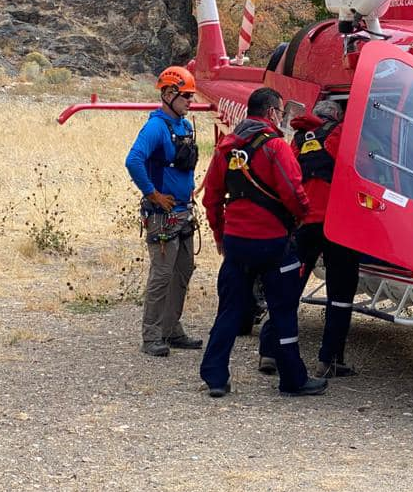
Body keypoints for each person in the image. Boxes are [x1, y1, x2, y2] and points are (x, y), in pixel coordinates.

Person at [200, 87, 328, 398]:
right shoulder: (276, 147)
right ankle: (292, 379)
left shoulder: (225, 148)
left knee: (229, 311)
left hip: (236, 244)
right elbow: (294, 192)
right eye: (281, 112)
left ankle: (215, 377)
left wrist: (220, 236)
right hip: (272, 243)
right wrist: (298, 221)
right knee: (283, 312)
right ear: (272, 113)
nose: (283, 118)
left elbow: (212, 198)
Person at [259, 100, 361, 379]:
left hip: (303, 224)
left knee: (288, 289)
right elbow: (358, 170)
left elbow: (287, 178)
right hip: (337, 227)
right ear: (337, 117)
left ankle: (269, 351)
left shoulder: (298, 140)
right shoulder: (340, 135)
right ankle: (329, 360)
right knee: (340, 295)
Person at [125, 66, 203, 357]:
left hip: (183, 213)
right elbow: (133, 160)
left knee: (183, 271)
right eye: (186, 96)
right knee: (161, 275)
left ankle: (171, 329)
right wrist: (152, 194)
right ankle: (152, 335)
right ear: (168, 93)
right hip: (163, 217)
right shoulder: (156, 128)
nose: (190, 101)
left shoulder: (183, 125)